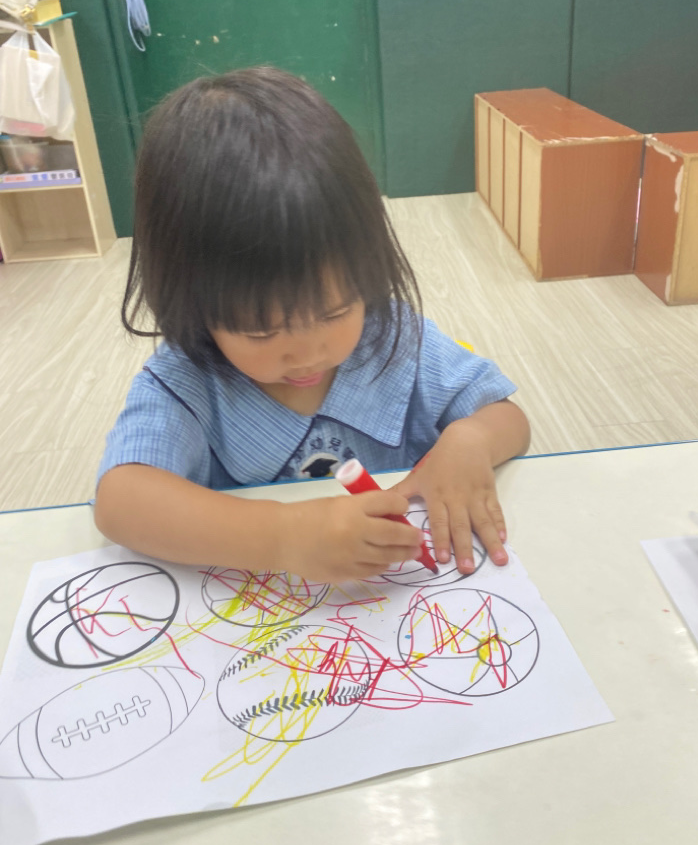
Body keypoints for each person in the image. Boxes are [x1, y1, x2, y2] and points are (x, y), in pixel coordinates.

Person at [94, 67, 530, 583]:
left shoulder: (392, 338)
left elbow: (508, 419)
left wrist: (472, 439)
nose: (307, 353)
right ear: (190, 302)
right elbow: (121, 503)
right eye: (261, 332)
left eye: (335, 311)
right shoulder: (187, 381)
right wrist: (284, 536)